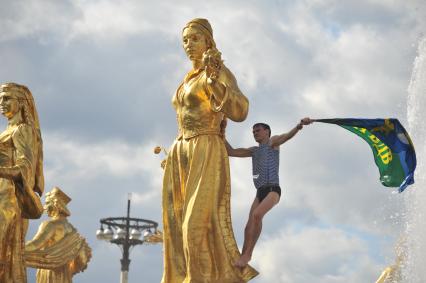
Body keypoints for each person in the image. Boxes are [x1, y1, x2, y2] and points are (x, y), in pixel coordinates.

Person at [161, 18, 258, 282]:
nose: (188, 44)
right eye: (184, 40)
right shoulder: (187, 78)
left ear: (208, 41)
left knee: (195, 225)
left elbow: (240, 110)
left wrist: (214, 81)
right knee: (177, 228)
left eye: (194, 38)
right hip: (182, 153)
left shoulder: (216, 71)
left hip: (207, 148)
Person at [225, 118, 312, 268]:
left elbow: (286, 136)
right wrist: (221, 132)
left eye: (258, 130)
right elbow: (230, 151)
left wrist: (298, 126)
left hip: (273, 190)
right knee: (248, 226)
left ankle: (248, 255)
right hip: (259, 192)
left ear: (267, 132)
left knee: (257, 215)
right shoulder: (254, 151)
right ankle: (242, 257)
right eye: (253, 132)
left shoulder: (273, 142)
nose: (255, 133)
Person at [0, 82, 44, 283]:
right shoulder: (6, 131)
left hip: (9, 201)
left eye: (7, 98)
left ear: (21, 102)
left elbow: (24, 168)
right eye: (1, 98)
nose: (2, 102)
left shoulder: (23, 129)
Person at [25, 187, 92, 283]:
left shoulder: (50, 225)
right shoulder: (71, 229)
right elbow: (81, 260)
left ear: (55, 204)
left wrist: (14, 249)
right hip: (65, 273)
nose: (44, 207)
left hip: (49, 271)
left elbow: (34, 245)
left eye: (47, 203)